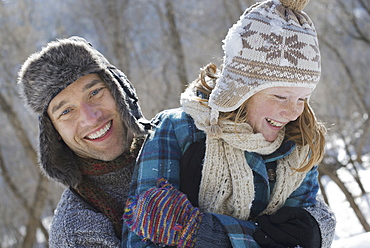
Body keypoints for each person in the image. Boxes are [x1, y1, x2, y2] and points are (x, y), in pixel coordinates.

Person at [123, 0, 336, 247]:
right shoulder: (178, 131)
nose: (292, 112)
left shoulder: (299, 146)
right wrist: (253, 238)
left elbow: (296, 239)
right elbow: (141, 234)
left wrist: (204, 232)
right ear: (241, 89)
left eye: (302, 98)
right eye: (280, 96)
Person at [17, 36, 151, 247]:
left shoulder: (180, 142)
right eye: (67, 111)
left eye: (95, 92)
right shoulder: (76, 231)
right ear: (55, 133)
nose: (91, 118)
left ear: (119, 91)